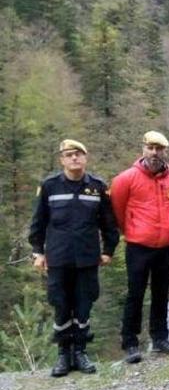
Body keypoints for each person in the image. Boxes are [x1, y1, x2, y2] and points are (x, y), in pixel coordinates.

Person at [29, 139, 118, 376]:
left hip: (87, 258)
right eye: (69, 155)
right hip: (58, 258)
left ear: (86, 157)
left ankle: (80, 352)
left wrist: (108, 250)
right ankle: (63, 355)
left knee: (83, 305)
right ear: (62, 160)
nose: (74, 158)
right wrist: (37, 252)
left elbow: (109, 223)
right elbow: (38, 222)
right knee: (60, 305)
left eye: (78, 154)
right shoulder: (50, 186)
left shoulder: (98, 187)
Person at [111, 131, 169, 363]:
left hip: (166, 246)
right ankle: (130, 342)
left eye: (159, 149)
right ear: (143, 148)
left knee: (161, 292)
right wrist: (133, 230)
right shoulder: (126, 178)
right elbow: (118, 211)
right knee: (135, 293)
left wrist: (167, 230)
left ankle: (160, 337)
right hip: (138, 246)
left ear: (165, 151)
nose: (154, 153)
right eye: (150, 148)